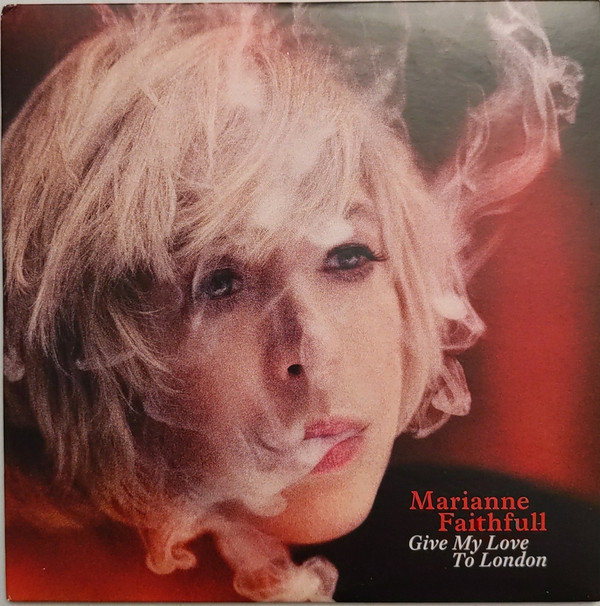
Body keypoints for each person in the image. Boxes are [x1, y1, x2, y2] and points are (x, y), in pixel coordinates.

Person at [2, 3, 589, 602]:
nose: (316, 350)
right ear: (82, 348)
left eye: (348, 258)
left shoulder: (534, 562)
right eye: (221, 284)